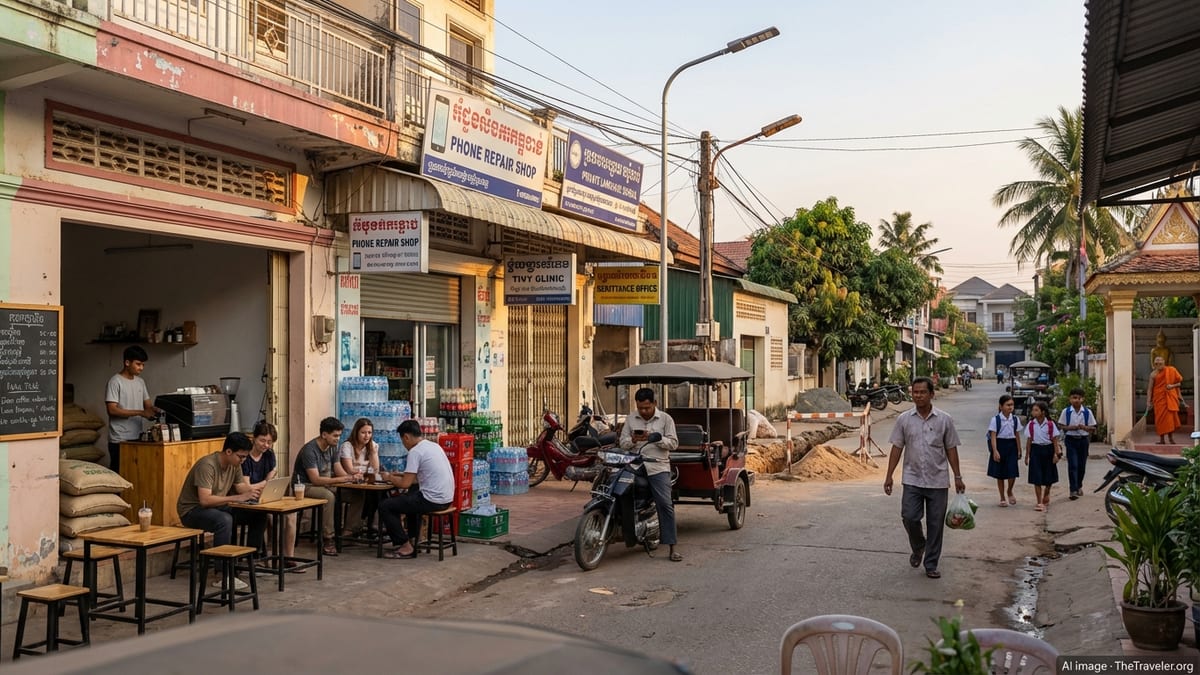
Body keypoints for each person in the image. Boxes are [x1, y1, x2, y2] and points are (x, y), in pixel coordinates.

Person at [883, 376, 964, 580]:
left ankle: (931, 564)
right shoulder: (904, 419)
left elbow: (951, 449)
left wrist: (957, 476)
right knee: (909, 517)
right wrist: (889, 475)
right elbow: (897, 448)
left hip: (938, 480)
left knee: (936, 524)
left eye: (922, 392)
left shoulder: (944, 419)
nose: (918, 396)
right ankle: (919, 546)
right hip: (912, 478)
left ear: (931, 394)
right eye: (915, 392)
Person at [177, 433, 267, 589]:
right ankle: (222, 574)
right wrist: (237, 498)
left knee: (258, 513)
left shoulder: (235, 465)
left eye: (245, 457)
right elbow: (205, 500)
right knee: (224, 520)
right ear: (229, 452)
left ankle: (250, 561)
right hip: (192, 510)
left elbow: (241, 488)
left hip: (217, 506)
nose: (243, 460)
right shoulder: (207, 465)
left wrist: (255, 493)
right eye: (241, 457)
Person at [376, 420, 455, 559]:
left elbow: (405, 484)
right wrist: (399, 475)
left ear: (406, 437)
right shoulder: (433, 446)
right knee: (411, 498)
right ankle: (413, 539)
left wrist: (389, 477)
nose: (404, 445)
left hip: (432, 500)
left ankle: (405, 545)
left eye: (402, 441)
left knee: (386, 506)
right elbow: (418, 475)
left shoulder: (415, 451)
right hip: (447, 499)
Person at [619, 387, 682, 562]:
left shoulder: (665, 419)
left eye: (647, 408)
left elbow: (674, 443)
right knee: (617, 490)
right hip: (635, 464)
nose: (644, 411)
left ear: (655, 403)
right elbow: (622, 443)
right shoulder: (631, 419)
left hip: (658, 467)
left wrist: (656, 438)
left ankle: (671, 547)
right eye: (640, 408)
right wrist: (632, 440)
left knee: (664, 503)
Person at [294, 417, 361, 556]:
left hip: (327, 483)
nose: (338, 439)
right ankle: (328, 538)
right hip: (304, 486)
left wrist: (351, 479)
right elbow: (316, 479)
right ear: (324, 434)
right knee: (328, 497)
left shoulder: (333, 447)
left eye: (339, 436)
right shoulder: (310, 450)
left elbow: (338, 470)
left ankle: (348, 532)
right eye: (335, 435)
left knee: (357, 494)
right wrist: (344, 478)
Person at [104, 345, 157, 474]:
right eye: (138, 364)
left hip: (137, 436)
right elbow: (112, 410)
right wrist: (140, 413)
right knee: (119, 474)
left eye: (143, 365)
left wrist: (157, 411)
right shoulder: (115, 381)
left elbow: (148, 406)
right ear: (127, 363)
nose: (141, 368)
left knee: (134, 474)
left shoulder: (140, 382)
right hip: (119, 439)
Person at [339, 418, 381, 536]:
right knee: (362, 495)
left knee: (380, 495)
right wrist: (363, 473)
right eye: (363, 432)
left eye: (369, 433)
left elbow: (375, 469)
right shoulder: (347, 446)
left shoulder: (372, 446)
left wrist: (373, 452)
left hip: (365, 483)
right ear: (356, 432)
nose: (366, 436)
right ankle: (351, 529)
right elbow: (349, 469)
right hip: (348, 484)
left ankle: (371, 526)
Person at [1057, 388, 1095, 500]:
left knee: (1081, 465)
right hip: (1071, 439)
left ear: (1082, 399)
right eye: (1074, 398)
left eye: (1079, 398)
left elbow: (1093, 428)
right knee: (1073, 464)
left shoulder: (1087, 412)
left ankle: (1079, 485)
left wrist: (1085, 427)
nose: (1076, 400)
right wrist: (1070, 428)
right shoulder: (1066, 412)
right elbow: (1061, 425)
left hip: (1083, 440)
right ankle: (1073, 489)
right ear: (1070, 399)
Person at [1024, 401, 1061, 512]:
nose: (1033, 412)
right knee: (1036, 477)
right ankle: (1039, 501)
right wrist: (1027, 456)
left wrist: (1056, 453)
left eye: (1036, 410)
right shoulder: (1031, 424)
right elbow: (1029, 441)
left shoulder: (1050, 424)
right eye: (1033, 410)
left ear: (1043, 412)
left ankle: (1047, 492)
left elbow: (1054, 439)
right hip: (1036, 450)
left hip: (1048, 449)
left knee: (1049, 475)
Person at [986, 394, 1021, 507]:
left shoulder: (1015, 419)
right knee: (1000, 474)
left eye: (1012, 405)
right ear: (1001, 406)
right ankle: (1002, 497)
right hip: (1000, 445)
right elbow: (993, 435)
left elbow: (1017, 434)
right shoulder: (995, 419)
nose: (1010, 407)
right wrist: (995, 451)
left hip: (1012, 446)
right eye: (1008, 405)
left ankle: (1009, 490)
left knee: (1012, 472)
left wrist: (1019, 449)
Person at [1149, 355, 1183, 445]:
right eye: (1157, 363)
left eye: (1160, 362)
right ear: (1154, 364)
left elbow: (1179, 383)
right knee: (1160, 420)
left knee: (1169, 420)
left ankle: (1171, 438)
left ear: (1164, 362)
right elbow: (1150, 389)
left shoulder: (1171, 370)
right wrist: (1148, 401)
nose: (1159, 364)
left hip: (1169, 398)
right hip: (1159, 399)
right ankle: (1162, 439)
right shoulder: (1153, 374)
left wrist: (1172, 386)